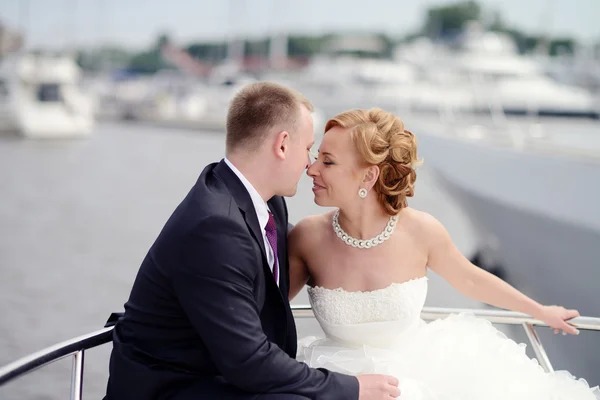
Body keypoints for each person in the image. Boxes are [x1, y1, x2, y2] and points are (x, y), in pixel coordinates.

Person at [104, 83, 400, 399]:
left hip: (220, 371)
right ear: (283, 145)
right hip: (172, 387)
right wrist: (351, 387)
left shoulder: (265, 200)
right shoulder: (214, 227)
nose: (309, 165)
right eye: (308, 149)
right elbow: (248, 361)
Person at [288, 107, 600, 399]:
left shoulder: (421, 230)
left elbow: (471, 280)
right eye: (316, 157)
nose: (311, 169)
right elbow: (268, 306)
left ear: (368, 177)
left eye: (327, 162)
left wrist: (541, 312)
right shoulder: (308, 237)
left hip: (421, 372)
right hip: (337, 378)